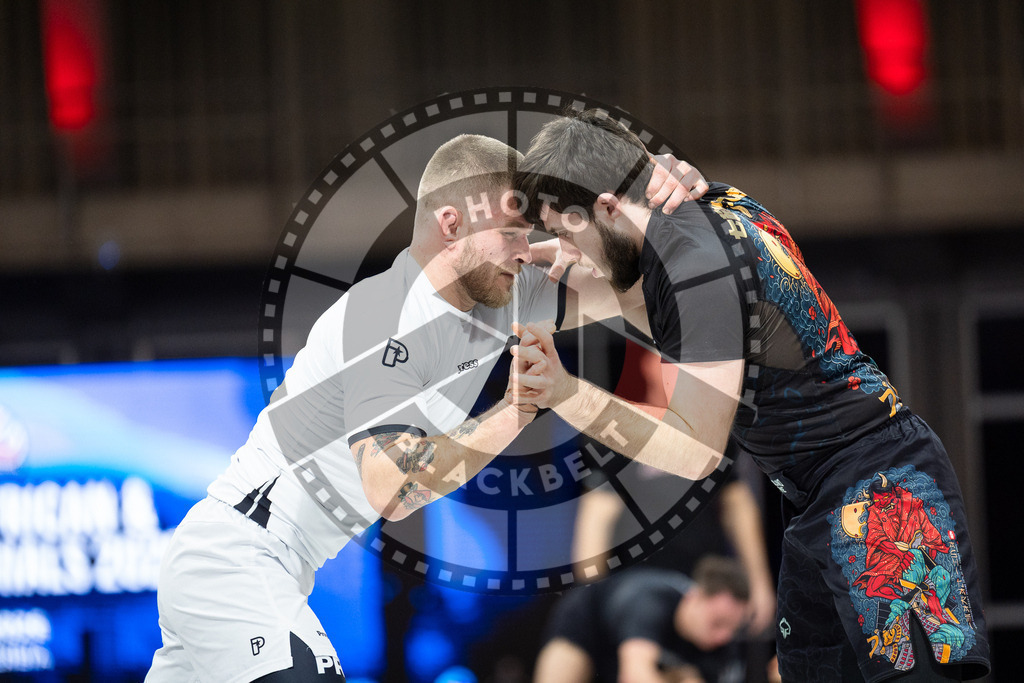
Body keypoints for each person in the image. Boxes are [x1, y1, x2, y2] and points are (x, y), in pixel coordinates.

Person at [145, 133, 699, 682]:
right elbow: (390, 490)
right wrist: (514, 410)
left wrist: (666, 201)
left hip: (277, 567)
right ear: (452, 226)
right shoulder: (382, 315)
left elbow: (632, 285)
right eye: (511, 232)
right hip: (238, 556)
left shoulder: (502, 293)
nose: (526, 250)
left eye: (529, 234)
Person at [510, 109, 990, 681]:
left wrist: (567, 395)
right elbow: (610, 296)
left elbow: (696, 451)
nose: (564, 250)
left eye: (567, 232)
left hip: (881, 487)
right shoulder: (700, 209)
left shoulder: (698, 271)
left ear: (609, 206)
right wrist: (502, 270)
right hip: (821, 492)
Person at [569, 339, 776, 637]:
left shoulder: (712, 431)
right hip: (639, 589)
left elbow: (737, 506)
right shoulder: (616, 431)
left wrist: (759, 584)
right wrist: (591, 600)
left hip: (706, 591)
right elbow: (597, 517)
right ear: (648, 366)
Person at [534, 555, 750, 683]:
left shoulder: (722, 646)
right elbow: (634, 676)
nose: (724, 636)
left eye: (734, 629)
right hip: (587, 627)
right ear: (694, 598)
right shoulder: (650, 604)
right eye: (717, 623)